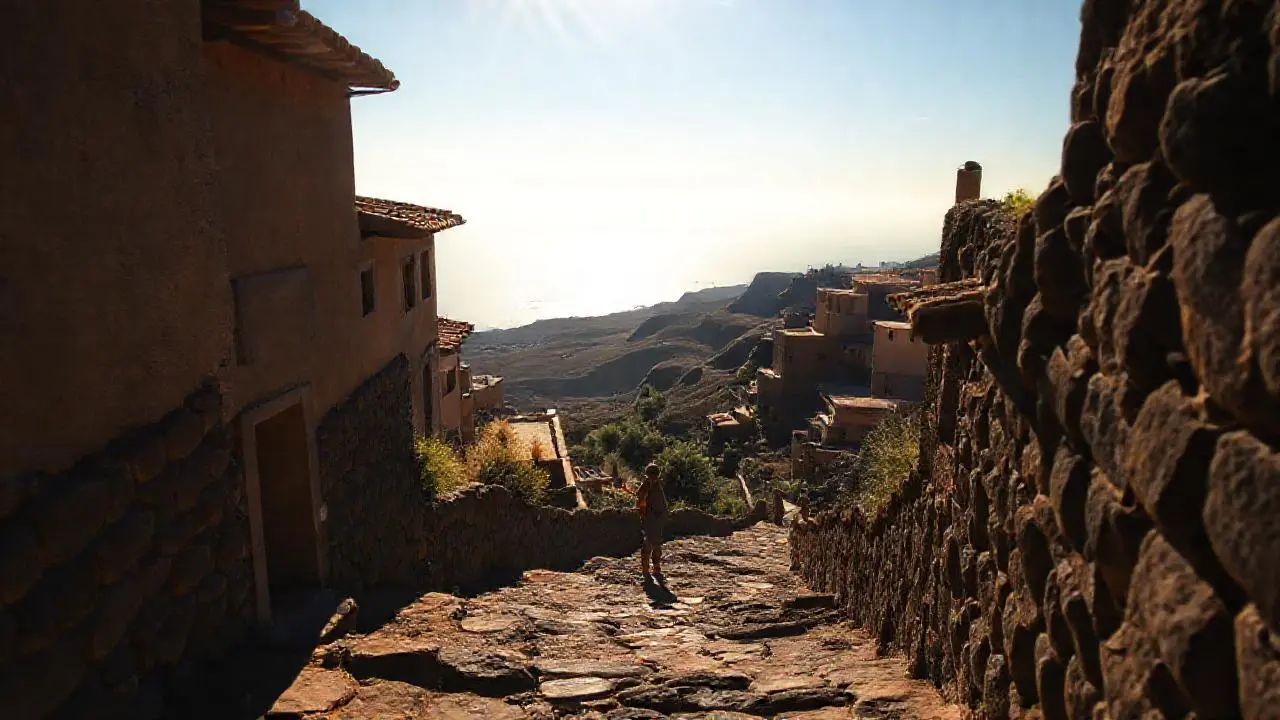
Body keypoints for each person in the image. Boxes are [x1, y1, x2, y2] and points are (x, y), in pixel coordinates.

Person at [636, 463, 669, 584]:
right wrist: (644, 512)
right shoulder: (647, 485)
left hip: (657, 519)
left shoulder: (655, 484)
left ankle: (656, 569)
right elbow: (641, 499)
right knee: (648, 545)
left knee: (656, 545)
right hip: (652, 519)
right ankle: (646, 572)